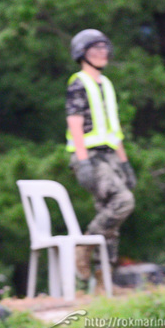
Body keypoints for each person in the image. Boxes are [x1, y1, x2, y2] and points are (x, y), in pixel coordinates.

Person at [65, 29, 136, 281]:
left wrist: (125, 163)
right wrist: (83, 161)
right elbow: (74, 123)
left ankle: (104, 278)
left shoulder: (105, 84)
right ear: (82, 54)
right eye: (95, 49)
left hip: (110, 157)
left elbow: (113, 128)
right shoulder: (79, 83)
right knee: (123, 202)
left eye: (104, 48)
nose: (102, 53)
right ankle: (85, 245)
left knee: (111, 220)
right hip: (91, 157)